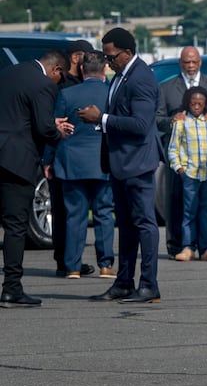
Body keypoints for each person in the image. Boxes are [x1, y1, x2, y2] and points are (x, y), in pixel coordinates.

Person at [78, 27, 164, 303]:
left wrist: (101, 119)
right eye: (105, 57)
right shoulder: (121, 77)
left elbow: (140, 125)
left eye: (111, 56)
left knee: (144, 224)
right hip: (120, 162)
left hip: (137, 162)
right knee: (126, 225)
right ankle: (124, 282)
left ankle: (149, 285)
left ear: (127, 52)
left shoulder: (141, 79)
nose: (107, 62)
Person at [0, 50, 73, 307]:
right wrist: (58, 132)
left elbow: (17, 115)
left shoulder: (9, 73)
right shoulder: (43, 84)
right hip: (16, 162)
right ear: (57, 71)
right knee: (16, 226)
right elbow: (43, 128)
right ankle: (12, 288)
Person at [45, 50, 115, 279]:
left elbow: (55, 128)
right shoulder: (111, 94)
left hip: (72, 161)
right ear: (104, 69)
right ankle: (105, 264)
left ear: (83, 69)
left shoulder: (67, 94)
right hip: (103, 161)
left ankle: (72, 266)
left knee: (75, 215)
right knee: (104, 213)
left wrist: (48, 160)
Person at [157, 46, 207, 260]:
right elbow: (157, 118)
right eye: (186, 62)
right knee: (177, 201)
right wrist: (171, 121)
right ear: (180, 63)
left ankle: (206, 247)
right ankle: (178, 246)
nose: (190, 66)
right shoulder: (166, 88)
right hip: (181, 158)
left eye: (194, 62)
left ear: (200, 62)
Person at [168, 86, 207, 262]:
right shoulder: (181, 122)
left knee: (205, 212)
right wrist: (180, 169)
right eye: (193, 103)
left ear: (206, 103)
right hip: (190, 175)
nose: (197, 106)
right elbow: (173, 148)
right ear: (188, 103)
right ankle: (188, 247)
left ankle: (206, 248)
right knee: (189, 212)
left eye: (200, 103)